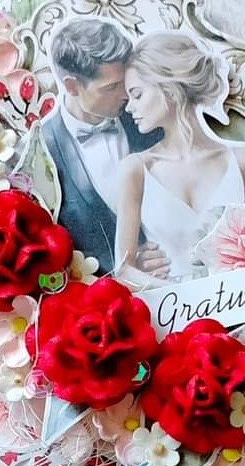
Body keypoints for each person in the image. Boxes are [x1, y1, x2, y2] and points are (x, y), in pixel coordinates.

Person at [115, 31, 245, 284]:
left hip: (242, 298)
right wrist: (180, 295)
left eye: (137, 94)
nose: (130, 107)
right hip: (172, 306)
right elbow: (123, 270)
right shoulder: (136, 170)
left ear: (169, 89)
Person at [41, 17, 168, 277]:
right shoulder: (41, 151)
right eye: (111, 87)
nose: (126, 95)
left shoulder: (151, 119)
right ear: (72, 86)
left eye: (125, 82)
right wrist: (127, 269)